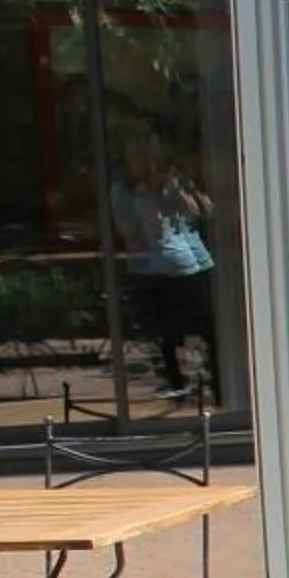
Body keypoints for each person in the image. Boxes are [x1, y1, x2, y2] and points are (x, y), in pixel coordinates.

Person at [111, 153, 217, 402]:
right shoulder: (140, 195)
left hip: (188, 263)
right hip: (166, 266)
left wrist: (185, 190)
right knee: (168, 330)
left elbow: (200, 212)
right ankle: (177, 379)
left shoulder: (171, 192)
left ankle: (206, 378)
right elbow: (140, 226)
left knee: (201, 326)